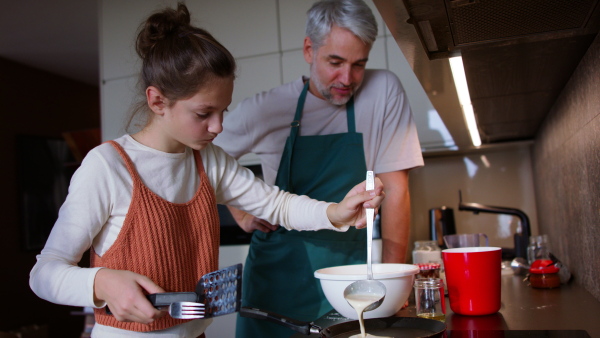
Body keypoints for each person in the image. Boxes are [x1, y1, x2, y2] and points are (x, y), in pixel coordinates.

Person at [28, 3, 385, 337]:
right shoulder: (108, 167)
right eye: (204, 114)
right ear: (157, 101)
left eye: (223, 112)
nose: (218, 127)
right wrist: (101, 282)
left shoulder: (207, 161)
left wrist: (336, 212)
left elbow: (276, 205)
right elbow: (44, 273)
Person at [213, 0, 424, 336]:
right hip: (276, 280)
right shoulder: (269, 109)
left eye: (359, 64)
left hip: (350, 279)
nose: (347, 78)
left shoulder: (383, 91)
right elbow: (201, 158)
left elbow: (396, 190)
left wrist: (392, 286)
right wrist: (240, 211)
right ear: (309, 50)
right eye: (335, 62)